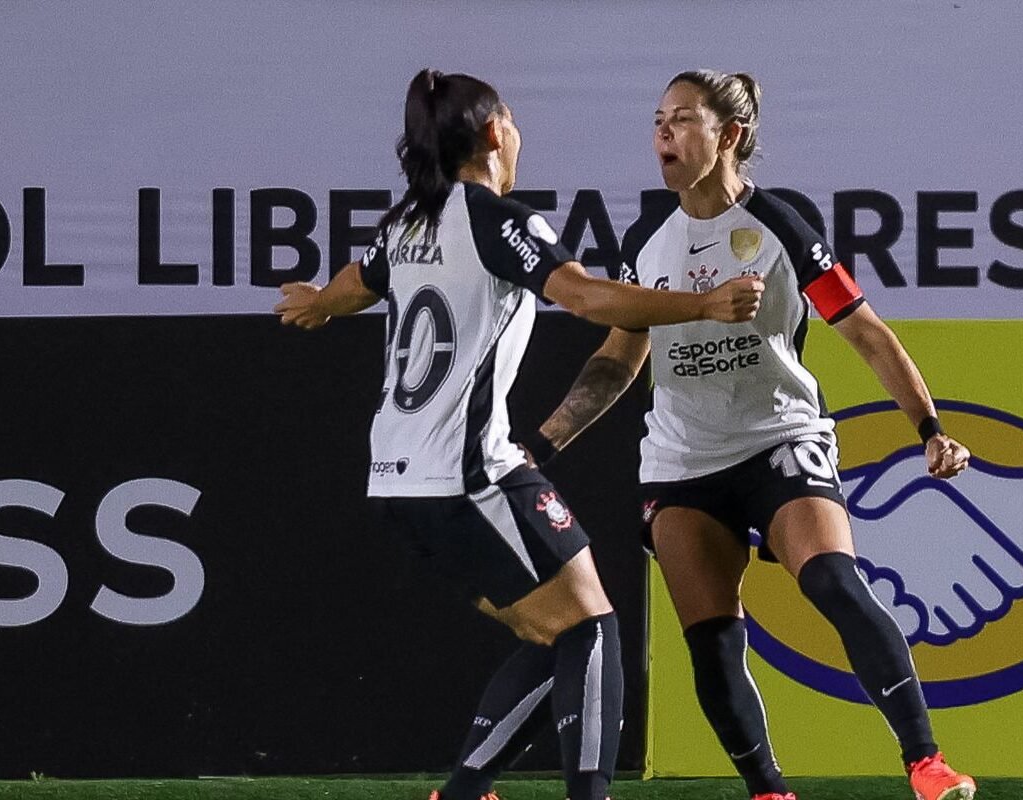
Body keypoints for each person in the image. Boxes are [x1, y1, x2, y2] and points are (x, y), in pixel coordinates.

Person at [274, 69, 766, 800]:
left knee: (554, 632)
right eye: (512, 118)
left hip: (398, 482)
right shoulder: (497, 220)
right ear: (494, 132)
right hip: (471, 472)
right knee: (591, 628)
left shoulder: (406, 223)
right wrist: (703, 304)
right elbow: (586, 296)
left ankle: (465, 791)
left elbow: (357, 281)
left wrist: (321, 302)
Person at [522, 70, 977, 800]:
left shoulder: (783, 227)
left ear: (729, 134)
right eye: (658, 120)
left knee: (832, 579)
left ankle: (926, 762)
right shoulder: (646, 240)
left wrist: (929, 428)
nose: (663, 133)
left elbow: (867, 332)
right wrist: (541, 447)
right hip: (682, 461)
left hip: (779, 439)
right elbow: (616, 360)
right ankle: (769, 790)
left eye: (682, 119)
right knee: (712, 639)